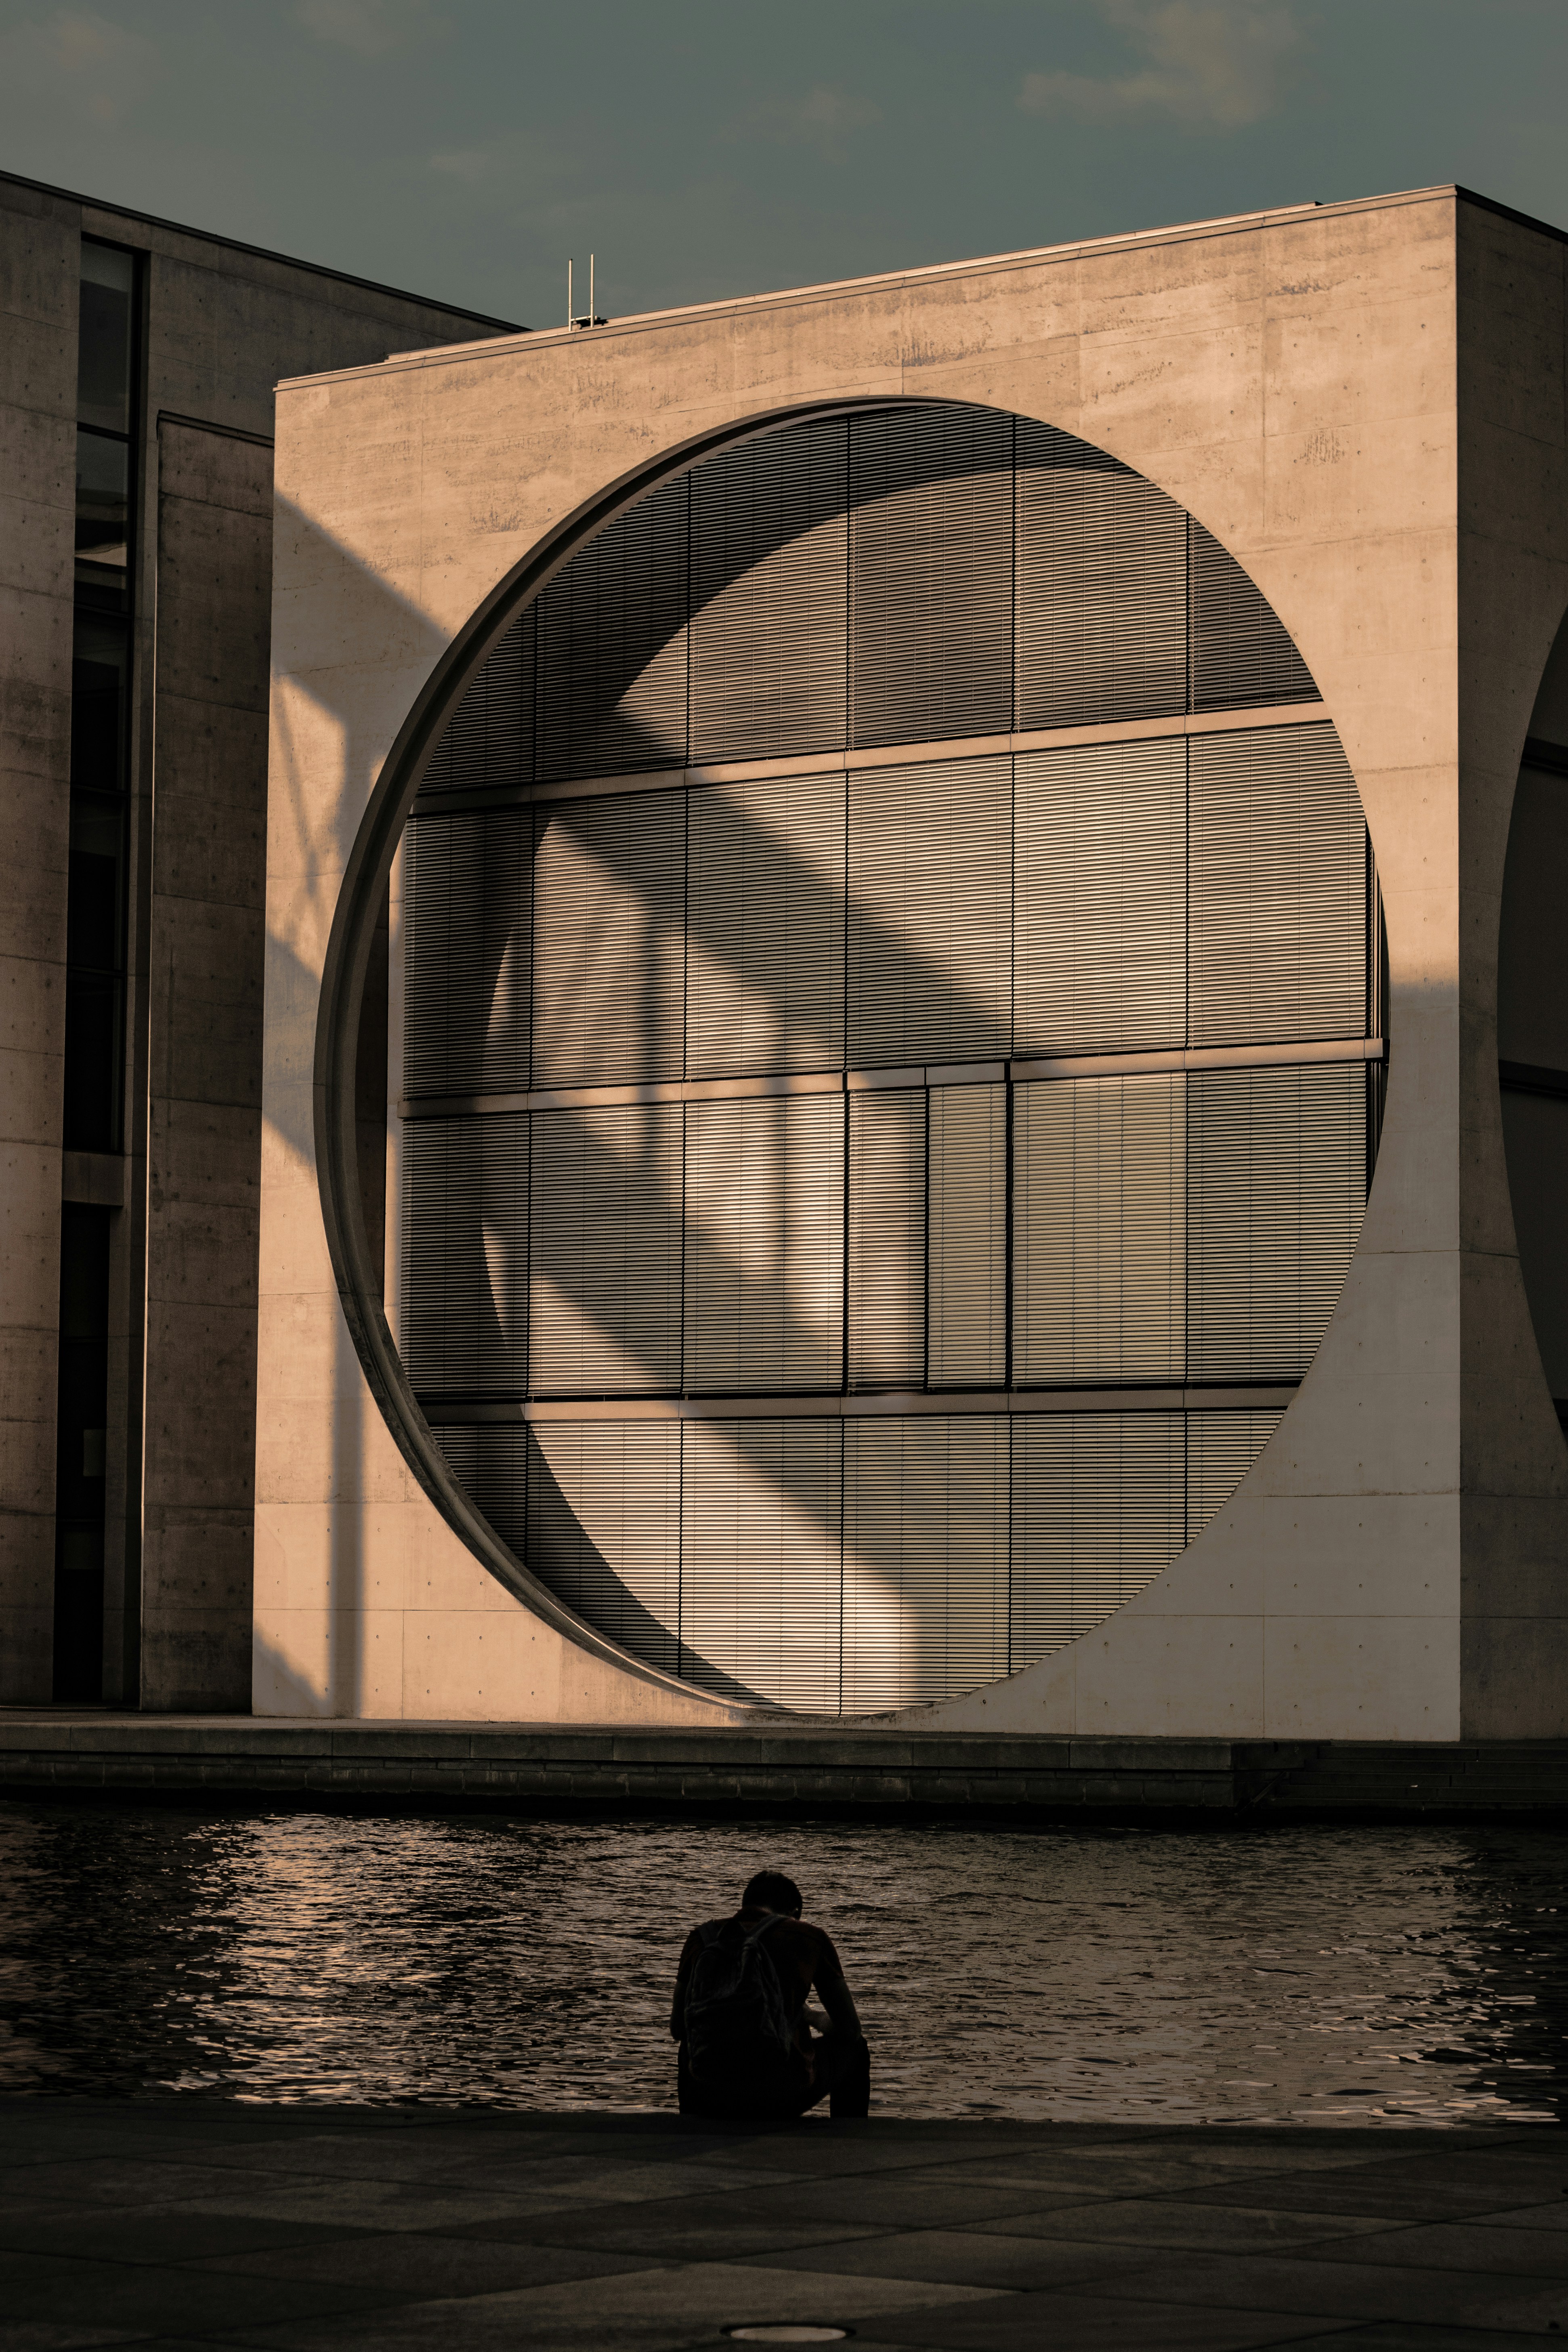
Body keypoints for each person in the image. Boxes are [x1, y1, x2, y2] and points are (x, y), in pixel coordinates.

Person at [672, 1870, 870, 2120]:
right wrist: (809, 2015)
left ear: (745, 1904)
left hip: (710, 2092)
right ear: (795, 1912)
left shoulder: (701, 1938)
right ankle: (851, 2142)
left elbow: (679, 2028)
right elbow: (850, 2029)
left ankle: (691, 2125)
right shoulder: (809, 1937)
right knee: (856, 2047)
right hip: (781, 2093)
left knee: (688, 2046)